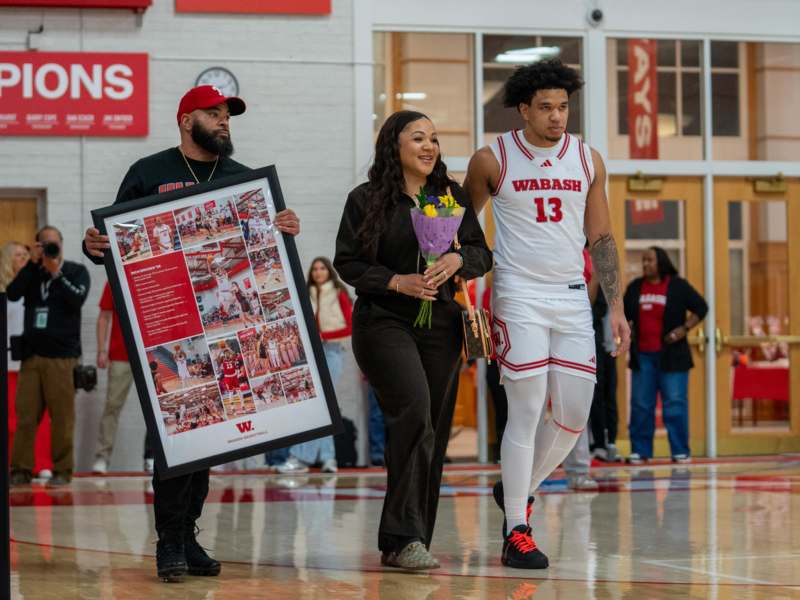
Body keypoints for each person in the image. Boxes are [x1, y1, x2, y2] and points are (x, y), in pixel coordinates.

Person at [82, 84, 300, 583]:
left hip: (227, 331)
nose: (224, 121)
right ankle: (170, 543)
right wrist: (93, 243)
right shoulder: (148, 173)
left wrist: (284, 227)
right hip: (168, 330)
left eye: (228, 115)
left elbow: (265, 255)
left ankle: (188, 534)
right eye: (214, 113)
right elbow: (115, 241)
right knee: (177, 439)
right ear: (186, 120)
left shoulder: (243, 181)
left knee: (210, 441)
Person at [463, 59, 630, 569]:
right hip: (517, 293)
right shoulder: (492, 160)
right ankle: (517, 527)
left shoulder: (587, 159)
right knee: (528, 409)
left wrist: (616, 306)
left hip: (572, 295)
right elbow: (465, 234)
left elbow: (600, 237)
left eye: (563, 106)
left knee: (575, 415)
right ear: (523, 109)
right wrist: (469, 311)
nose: (557, 117)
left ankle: (517, 488)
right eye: (546, 108)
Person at [335, 110, 492, 570]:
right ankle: (402, 535)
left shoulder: (450, 196)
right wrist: (395, 281)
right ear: (394, 146)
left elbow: (483, 252)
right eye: (418, 137)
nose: (429, 146)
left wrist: (457, 261)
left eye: (435, 139)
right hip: (384, 321)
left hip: (440, 323)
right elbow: (348, 262)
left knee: (432, 429)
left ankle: (410, 537)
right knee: (415, 410)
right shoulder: (365, 200)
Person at [7, 226, 90, 487]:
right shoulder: (33, 272)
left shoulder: (76, 271)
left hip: (63, 358)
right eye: (44, 244)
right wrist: (32, 263)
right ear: (37, 246)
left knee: (62, 418)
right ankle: (20, 469)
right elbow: (12, 293)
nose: (50, 249)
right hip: (32, 357)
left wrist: (57, 272)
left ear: (62, 244)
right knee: (26, 417)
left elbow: (77, 300)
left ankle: (62, 470)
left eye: (53, 244)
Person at [623, 246, 707, 464]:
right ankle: (640, 451)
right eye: (643, 260)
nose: (645, 264)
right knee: (641, 405)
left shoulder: (677, 285)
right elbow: (623, 314)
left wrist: (684, 329)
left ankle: (680, 450)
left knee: (675, 404)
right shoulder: (635, 288)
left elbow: (701, 307)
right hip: (643, 357)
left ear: (661, 261)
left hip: (673, 357)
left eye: (650, 260)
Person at [277, 257, 352, 474]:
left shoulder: (338, 293)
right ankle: (329, 458)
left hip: (332, 351)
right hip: (309, 354)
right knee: (322, 407)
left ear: (328, 271)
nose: (318, 272)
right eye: (315, 269)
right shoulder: (306, 294)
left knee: (323, 406)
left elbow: (349, 327)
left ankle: (301, 458)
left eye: (322, 268)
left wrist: (323, 336)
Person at [1, 241, 54, 481]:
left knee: (40, 417)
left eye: (26, 255)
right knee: (13, 419)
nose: (23, 258)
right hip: (10, 363)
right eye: (19, 255)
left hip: (34, 360)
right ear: (7, 260)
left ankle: (41, 463)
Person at [92, 281, 154, 474]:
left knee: (156, 410)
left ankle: (153, 457)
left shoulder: (153, 275)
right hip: (120, 354)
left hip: (151, 354)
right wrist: (102, 349)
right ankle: (102, 456)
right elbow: (104, 316)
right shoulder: (114, 279)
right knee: (112, 406)